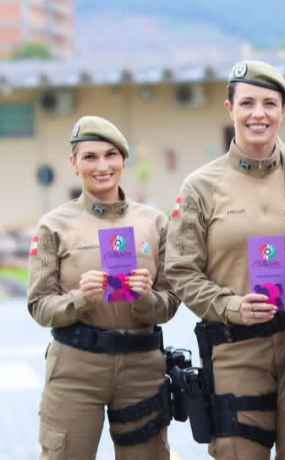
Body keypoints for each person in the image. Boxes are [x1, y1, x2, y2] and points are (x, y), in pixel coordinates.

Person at [165, 60, 285, 460]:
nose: (258, 114)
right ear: (230, 109)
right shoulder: (200, 187)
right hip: (235, 348)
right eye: (247, 103)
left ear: (282, 111)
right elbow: (181, 270)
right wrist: (230, 306)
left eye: (269, 104)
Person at [27, 115, 180, 460]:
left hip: (142, 366)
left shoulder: (154, 223)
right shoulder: (54, 225)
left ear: (123, 159)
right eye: (90, 157)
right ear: (74, 163)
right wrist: (80, 299)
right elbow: (39, 305)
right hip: (76, 367)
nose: (102, 166)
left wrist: (145, 298)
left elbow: (171, 301)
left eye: (111, 155)